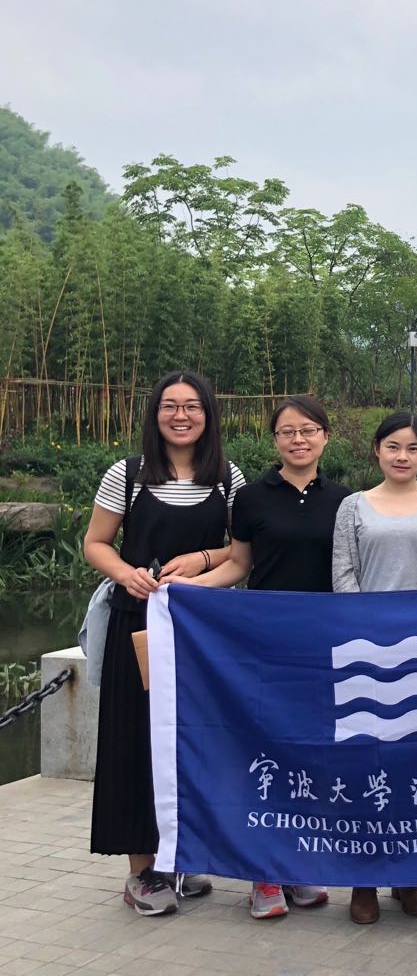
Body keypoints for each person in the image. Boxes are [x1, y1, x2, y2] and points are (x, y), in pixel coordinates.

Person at [165, 394, 345, 920]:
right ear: (275, 440)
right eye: (288, 431)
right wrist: (186, 590)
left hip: (324, 647)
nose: (298, 440)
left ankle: (297, 868)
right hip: (265, 645)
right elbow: (239, 565)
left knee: (311, 755)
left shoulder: (346, 500)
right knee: (267, 754)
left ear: (325, 436)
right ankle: (263, 875)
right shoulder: (250, 498)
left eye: (308, 430)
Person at [81, 371, 245, 916]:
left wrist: (203, 559)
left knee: (193, 740)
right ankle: (143, 869)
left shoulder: (228, 478)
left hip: (201, 627)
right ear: (155, 414)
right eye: (170, 406)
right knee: (134, 740)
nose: (181, 415)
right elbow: (96, 542)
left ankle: (181, 855)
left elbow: (241, 550)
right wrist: (125, 573)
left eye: (192, 406)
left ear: (208, 414)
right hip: (138, 622)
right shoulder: (127, 474)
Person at [332, 412, 417, 925]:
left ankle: (409, 873)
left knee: (415, 764)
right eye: (393, 446)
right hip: (363, 650)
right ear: (377, 450)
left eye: (413, 447)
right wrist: (369, 625)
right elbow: (343, 573)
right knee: (365, 763)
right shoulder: (352, 506)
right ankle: (362, 878)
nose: (402, 456)